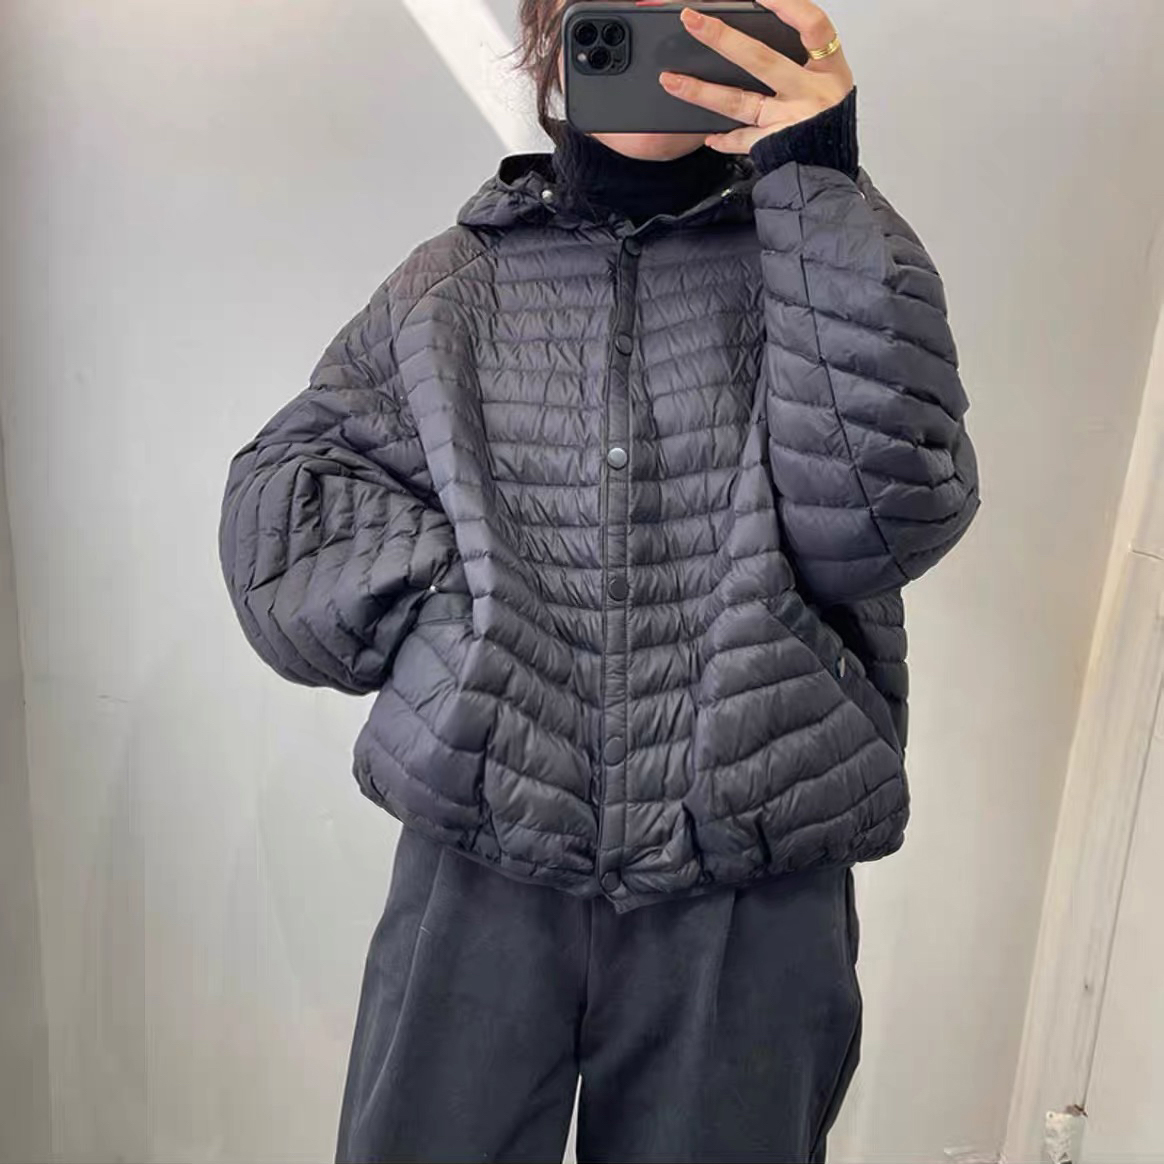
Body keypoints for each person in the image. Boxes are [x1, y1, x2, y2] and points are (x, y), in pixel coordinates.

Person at [217, 1, 981, 1160]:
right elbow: (286, 509)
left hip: (751, 880)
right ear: (556, 29)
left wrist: (818, 176)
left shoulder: (819, 264)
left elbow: (881, 524)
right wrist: (462, 630)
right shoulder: (456, 286)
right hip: (483, 864)